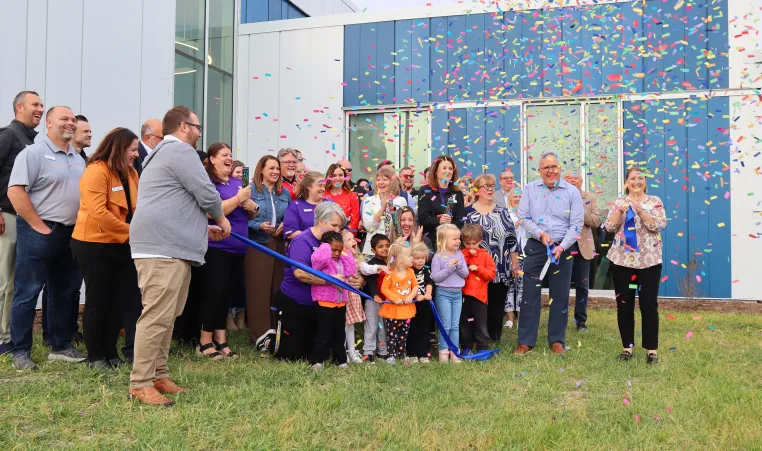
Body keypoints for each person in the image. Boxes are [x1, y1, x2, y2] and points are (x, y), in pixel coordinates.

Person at [128, 106, 230, 407]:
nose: (200, 133)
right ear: (184, 127)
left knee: (167, 315)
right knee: (157, 316)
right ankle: (140, 383)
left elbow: (174, 200)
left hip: (167, 245)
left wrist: (202, 228)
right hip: (163, 249)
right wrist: (221, 219)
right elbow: (206, 194)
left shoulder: (163, 153)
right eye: (197, 127)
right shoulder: (181, 152)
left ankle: (158, 374)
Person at [8, 106, 87, 371]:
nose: (70, 122)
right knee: (27, 293)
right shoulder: (33, 153)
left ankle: (61, 346)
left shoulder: (78, 158)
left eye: (73, 119)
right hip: (39, 232)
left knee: (64, 292)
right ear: (49, 123)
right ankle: (20, 351)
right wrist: (38, 225)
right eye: (64, 118)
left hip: (70, 234)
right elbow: (16, 192)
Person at [70, 128, 141, 370]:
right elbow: (98, 212)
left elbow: (137, 207)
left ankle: (111, 353)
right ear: (119, 148)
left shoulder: (130, 173)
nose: (136, 154)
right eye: (132, 150)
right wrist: (131, 231)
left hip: (122, 244)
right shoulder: (96, 171)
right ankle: (96, 356)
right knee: (98, 301)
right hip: (93, 245)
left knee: (118, 302)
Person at [187, 143, 257, 361]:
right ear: (212, 159)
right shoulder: (208, 183)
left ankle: (221, 340)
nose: (229, 158)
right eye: (224, 155)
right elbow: (211, 211)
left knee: (225, 296)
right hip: (217, 248)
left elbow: (249, 215)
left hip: (238, 248)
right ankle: (204, 341)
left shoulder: (238, 182)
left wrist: (253, 207)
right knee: (213, 294)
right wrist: (238, 200)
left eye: (230, 155)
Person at [514, 153, 583, 356]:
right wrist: (541, 234)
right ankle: (526, 341)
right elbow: (523, 217)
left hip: (563, 248)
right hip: (537, 247)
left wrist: (562, 246)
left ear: (559, 168)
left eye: (554, 167)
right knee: (529, 294)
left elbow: (577, 224)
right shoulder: (530, 189)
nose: (550, 171)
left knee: (560, 295)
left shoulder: (572, 192)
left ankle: (557, 340)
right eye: (546, 168)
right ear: (540, 170)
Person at [270, 202, 347, 361]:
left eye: (340, 227)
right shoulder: (302, 241)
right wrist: (330, 281)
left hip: (320, 306)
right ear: (320, 221)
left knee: (318, 353)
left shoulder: (334, 243)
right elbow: (300, 273)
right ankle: (270, 339)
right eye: (334, 225)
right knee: (293, 356)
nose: (338, 230)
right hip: (295, 302)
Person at [604, 166, 666, 364]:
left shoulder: (654, 202)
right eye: (632, 178)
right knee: (625, 304)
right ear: (626, 181)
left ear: (645, 182)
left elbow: (658, 225)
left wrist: (640, 211)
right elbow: (609, 227)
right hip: (623, 263)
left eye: (640, 178)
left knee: (648, 304)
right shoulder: (619, 202)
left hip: (649, 262)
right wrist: (620, 212)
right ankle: (627, 347)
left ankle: (651, 350)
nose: (636, 182)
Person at [0, 90, 43, 356]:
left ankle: (9, 336)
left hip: (24, 220)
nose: (40, 108)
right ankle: (2, 338)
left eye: (41, 105)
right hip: (7, 217)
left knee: (16, 283)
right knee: (4, 282)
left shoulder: (33, 141)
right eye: (34, 104)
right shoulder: (8, 135)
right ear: (19, 107)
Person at [463, 174, 519, 342]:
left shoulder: (503, 212)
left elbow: (512, 239)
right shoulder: (468, 213)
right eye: (485, 187)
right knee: (475, 307)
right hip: (475, 271)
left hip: (499, 268)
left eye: (492, 186)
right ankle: (474, 339)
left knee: (496, 305)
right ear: (477, 190)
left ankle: (493, 338)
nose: (489, 190)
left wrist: (515, 264)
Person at [246, 155, 290, 346]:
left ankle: (276, 331)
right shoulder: (250, 190)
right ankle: (260, 335)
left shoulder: (284, 193)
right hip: (258, 244)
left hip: (278, 242)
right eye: (271, 168)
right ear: (261, 169)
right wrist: (257, 225)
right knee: (258, 290)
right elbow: (240, 220)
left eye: (277, 168)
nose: (275, 172)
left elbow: (290, 216)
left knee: (276, 287)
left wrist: (285, 225)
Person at [309, 231, 357, 370]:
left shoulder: (341, 260)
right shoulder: (323, 259)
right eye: (333, 249)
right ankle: (317, 359)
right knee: (324, 332)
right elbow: (316, 263)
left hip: (340, 303)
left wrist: (345, 252)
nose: (336, 253)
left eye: (338, 250)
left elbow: (350, 270)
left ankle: (340, 359)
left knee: (339, 333)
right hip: (325, 302)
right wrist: (325, 247)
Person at [564, 169, 601, 332]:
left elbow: (596, 221)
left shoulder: (589, 198)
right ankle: (560, 319)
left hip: (583, 247)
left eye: (575, 178)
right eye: (569, 178)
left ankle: (581, 321)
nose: (572, 181)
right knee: (561, 284)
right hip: (563, 245)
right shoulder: (559, 196)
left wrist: (580, 209)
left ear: (581, 181)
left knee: (582, 285)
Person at [431, 224, 468, 363]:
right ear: (443, 240)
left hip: (457, 294)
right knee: (445, 324)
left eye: (458, 238)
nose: (458, 241)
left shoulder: (460, 255)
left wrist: (458, 266)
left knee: (455, 325)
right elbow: (436, 278)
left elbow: (465, 274)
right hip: (443, 293)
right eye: (454, 239)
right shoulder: (438, 257)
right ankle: (443, 353)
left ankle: (454, 352)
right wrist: (449, 268)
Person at [460, 224, 497, 354]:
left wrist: (478, 269)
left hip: (480, 296)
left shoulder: (485, 255)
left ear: (480, 241)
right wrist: (466, 255)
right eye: (467, 243)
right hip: (464, 295)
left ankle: (482, 347)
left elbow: (491, 274)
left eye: (473, 244)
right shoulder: (461, 254)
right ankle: (467, 346)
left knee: (480, 323)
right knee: (465, 322)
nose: (470, 247)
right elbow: (457, 265)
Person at [378, 243, 418, 365]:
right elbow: (384, 289)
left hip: (407, 309)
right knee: (392, 334)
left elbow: (415, 286)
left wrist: (411, 296)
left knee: (403, 334)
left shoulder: (410, 272)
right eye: (409, 256)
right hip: (393, 310)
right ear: (400, 259)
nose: (412, 258)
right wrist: (395, 298)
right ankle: (391, 355)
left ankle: (402, 355)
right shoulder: (390, 274)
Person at [417, 155, 465, 243]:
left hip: (451, 242)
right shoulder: (425, 190)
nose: (448, 171)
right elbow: (422, 218)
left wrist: (450, 222)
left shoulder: (457, 193)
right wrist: (439, 221)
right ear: (436, 171)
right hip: (431, 241)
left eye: (450, 169)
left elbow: (460, 220)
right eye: (444, 168)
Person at [360, 167, 407, 255]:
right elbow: (369, 227)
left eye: (385, 179)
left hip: (393, 249)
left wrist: (392, 208)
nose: (381, 182)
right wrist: (383, 208)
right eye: (378, 180)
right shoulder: (368, 201)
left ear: (392, 182)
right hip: (372, 252)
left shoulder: (401, 201)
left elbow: (399, 230)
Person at [360, 234, 390, 362]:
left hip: (386, 301)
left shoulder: (390, 263)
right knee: (372, 326)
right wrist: (375, 295)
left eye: (387, 246)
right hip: (373, 301)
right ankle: (369, 351)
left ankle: (382, 351)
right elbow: (371, 282)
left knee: (383, 327)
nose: (385, 249)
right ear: (373, 250)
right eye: (380, 246)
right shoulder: (372, 265)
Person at [227, 159, 247, 332]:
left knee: (241, 281)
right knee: (229, 281)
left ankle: (241, 315)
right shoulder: (227, 188)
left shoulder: (247, 187)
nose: (240, 175)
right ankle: (228, 316)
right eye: (237, 172)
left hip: (244, 239)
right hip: (227, 237)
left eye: (242, 172)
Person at [341, 230, 366, 364]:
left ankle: (351, 351)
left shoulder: (358, 261)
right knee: (342, 325)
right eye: (349, 239)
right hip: (343, 296)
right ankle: (342, 351)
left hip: (353, 296)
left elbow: (368, 270)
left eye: (354, 239)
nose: (354, 241)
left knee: (350, 325)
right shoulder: (340, 259)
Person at [407, 242, 433, 362]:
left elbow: (429, 283)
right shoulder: (408, 272)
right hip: (412, 304)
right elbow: (409, 286)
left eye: (422, 258)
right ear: (411, 258)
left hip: (424, 304)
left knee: (424, 328)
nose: (420, 261)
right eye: (417, 258)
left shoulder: (426, 270)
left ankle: (423, 353)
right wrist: (416, 295)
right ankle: (411, 353)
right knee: (412, 328)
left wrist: (428, 293)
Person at [504, 188, 527, 329]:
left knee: (522, 286)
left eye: (520, 196)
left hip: (524, 253)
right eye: (515, 196)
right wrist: (518, 222)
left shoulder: (529, 214)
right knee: (510, 286)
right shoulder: (506, 214)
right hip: (509, 254)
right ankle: (509, 319)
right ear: (510, 199)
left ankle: (520, 318)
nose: (517, 199)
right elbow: (507, 232)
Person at [283, 171, 324, 241]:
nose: (323, 189)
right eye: (320, 185)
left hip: (329, 250)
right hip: (304, 248)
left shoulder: (330, 204)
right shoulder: (295, 206)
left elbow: (342, 228)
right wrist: (315, 238)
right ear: (309, 186)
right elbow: (290, 233)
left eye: (324, 186)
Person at [324, 163, 360, 234]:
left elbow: (354, 221)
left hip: (346, 238)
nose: (338, 178)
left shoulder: (352, 196)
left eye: (340, 175)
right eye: (334, 175)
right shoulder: (323, 195)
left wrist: (345, 236)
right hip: (326, 236)